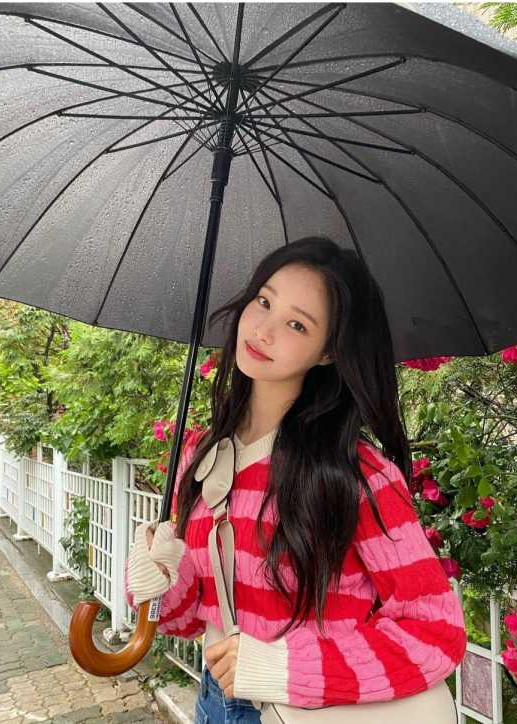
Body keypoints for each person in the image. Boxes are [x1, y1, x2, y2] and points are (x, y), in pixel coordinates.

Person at [124, 236, 467, 724]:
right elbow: (186, 621)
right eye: (264, 301)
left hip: (303, 711)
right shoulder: (202, 457)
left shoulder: (355, 475)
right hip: (215, 703)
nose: (263, 330)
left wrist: (285, 668)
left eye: (297, 324)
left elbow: (434, 630)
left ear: (328, 352)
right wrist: (160, 577)